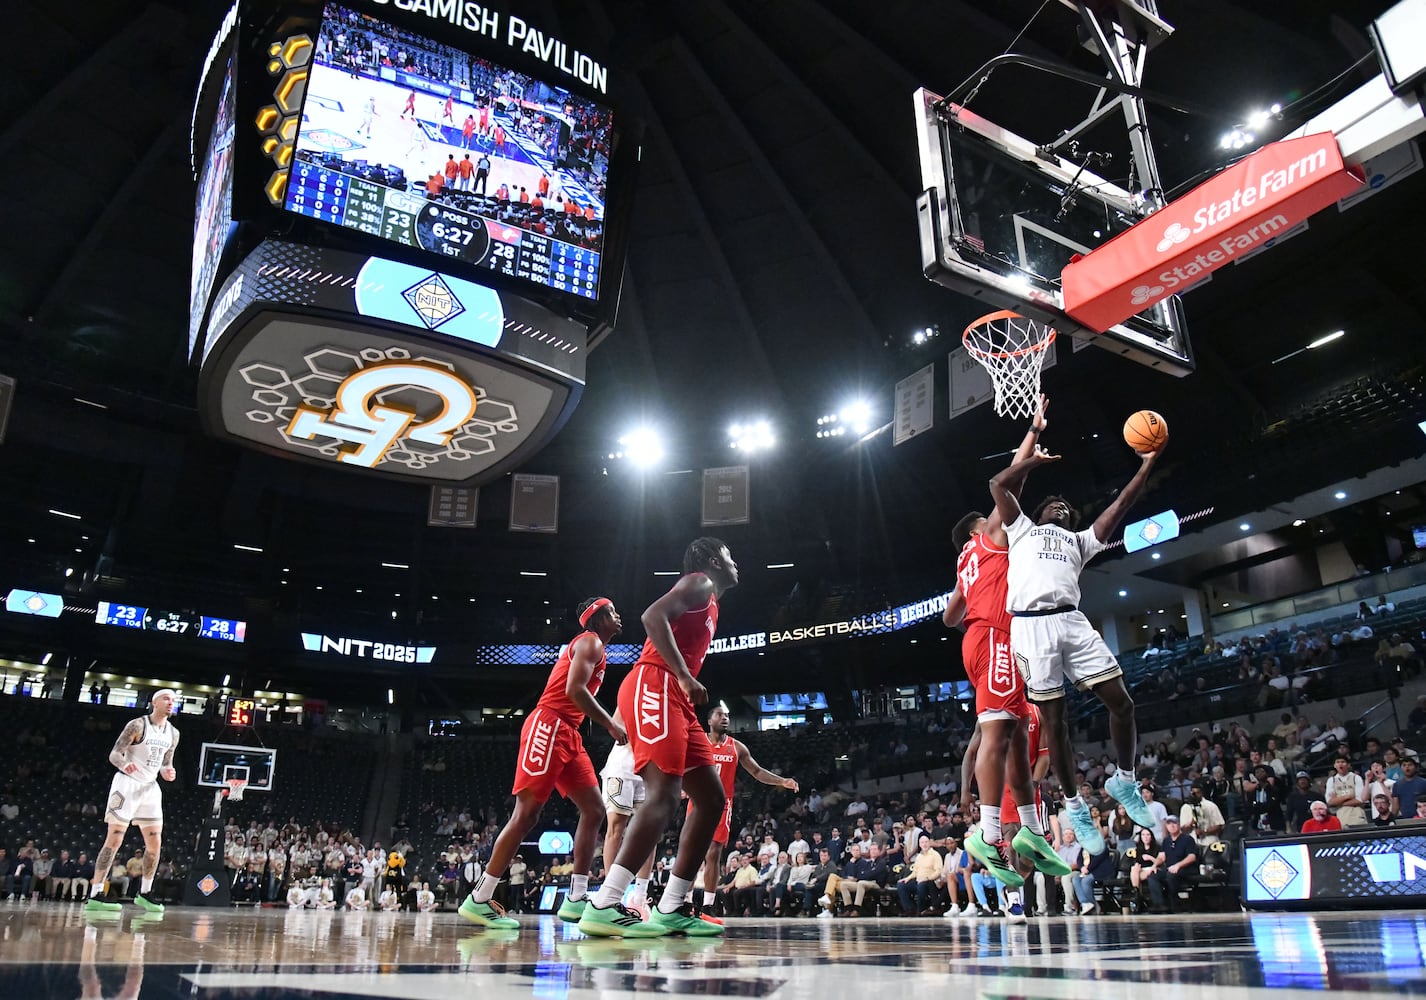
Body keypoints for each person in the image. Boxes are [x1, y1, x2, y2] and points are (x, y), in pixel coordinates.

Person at [989, 433, 1166, 855]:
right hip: (1032, 629)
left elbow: (1121, 505)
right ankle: (1075, 805)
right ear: (1040, 512)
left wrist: (1146, 465)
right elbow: (998, 485)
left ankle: (1124, 779)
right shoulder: (1022, 530)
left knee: (1122, 702)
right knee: (1055, 725)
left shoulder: (1081, 540)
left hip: (1072, 621)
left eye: (1066, 507)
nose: (1061, 506)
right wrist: (1033, 461)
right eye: (1054, 504)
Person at [581, 538, 740, 938]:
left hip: (675, 697)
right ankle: (604, 903)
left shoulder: (712, 603)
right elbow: (653, 617)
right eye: (728, 555)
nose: (734, 561)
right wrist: (685, 676)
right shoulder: (699, 582)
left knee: (711, 799)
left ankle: (672, 905)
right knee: (664, 794)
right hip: (655, 685)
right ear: (709, 561)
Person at [944, 396, 1069, 895]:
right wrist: (1033, 435)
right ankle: (990, 835)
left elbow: (949, 615)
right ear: (979, 528)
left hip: (982, 637)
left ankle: (1035, 834)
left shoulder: (964, 563)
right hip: (996, 636)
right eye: (990, 518)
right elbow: (1010, 483)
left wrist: (975, 603)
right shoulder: (988, 538)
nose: (998, 519)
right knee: (998, 736)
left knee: (1017, 735)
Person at [460, 598, 628, 931]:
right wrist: (610, 724)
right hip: (549, 724)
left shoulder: (598, 648)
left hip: (569, 732)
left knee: (594, 810)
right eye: (611, 612)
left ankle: (577, 896)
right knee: (526, 814)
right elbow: (574, 689)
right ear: (595, 619)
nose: (618, 615)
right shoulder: (589, 642)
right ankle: (480, 898)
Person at [693, 701, 799, 921]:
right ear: (709, 720)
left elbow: (757, 772)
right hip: (698, 800)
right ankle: (681, 903)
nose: (725, 718)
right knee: (693, 853)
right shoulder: (698, 741)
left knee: (713, 853)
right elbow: (683, 764)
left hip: (722, 804)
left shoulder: (737, 747)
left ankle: (707, 908)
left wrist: (783, 781)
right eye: (720, 715)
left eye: (727, 716)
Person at [85, 689, 179, 914]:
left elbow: (167, 762)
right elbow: (115, 753)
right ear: (154, 702)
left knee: (155, 843)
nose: (171, 703)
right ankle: (96, 893)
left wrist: (168, 771)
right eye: (166, 698)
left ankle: (145, 893)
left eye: (174, 700)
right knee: (115, 838)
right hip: (127, 783)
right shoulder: (137, 725)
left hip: (150, 788)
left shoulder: (173, 733)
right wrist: (124, 764)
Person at [598, 706, 657, 918]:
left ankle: (639, 897)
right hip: (621, 769)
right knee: (616, 829)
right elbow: (614, 725)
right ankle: (610, 897)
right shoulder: (635, 690)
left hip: (649, 769)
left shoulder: (669, 696)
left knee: (651, 832)